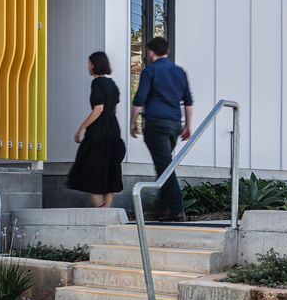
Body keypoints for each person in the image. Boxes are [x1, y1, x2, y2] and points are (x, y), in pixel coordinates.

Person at [130, 36, 194, 222]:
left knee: (164, 166)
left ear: (151, 52)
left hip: (156, 124)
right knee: (164, 164)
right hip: (174, 124)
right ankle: (162, 209)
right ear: (167, 51)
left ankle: (177, 209)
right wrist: (188, 126)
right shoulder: (180, 72)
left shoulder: (150, 71)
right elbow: (188, 102)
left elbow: (139, 100)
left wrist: (133, 122)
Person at [67, 52, 125, 207]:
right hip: (113, 130)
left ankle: (100, 208)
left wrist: (81, 128)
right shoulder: (112, 84)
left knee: (88, 167)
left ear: (95, 65)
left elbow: (99, 109)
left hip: (98, 132)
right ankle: (107, 208)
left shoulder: (97, 83)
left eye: (89, 63)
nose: (88, 66)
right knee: (109, 168)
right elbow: (113, 109)